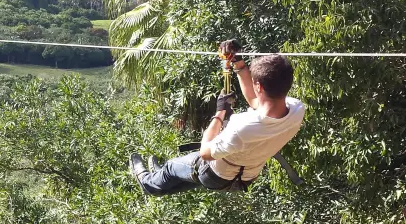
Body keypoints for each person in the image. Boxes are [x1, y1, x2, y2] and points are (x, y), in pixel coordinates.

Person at [130, 40, 306, 196]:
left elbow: (205, 153)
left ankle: (148, 184)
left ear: (259, 86)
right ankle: (161, 180)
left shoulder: (243, 126)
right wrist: (239, 64)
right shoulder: (297, 109)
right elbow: (255, 101)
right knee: (178, 172)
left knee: (171, 167)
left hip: (215, 174)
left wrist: (220, 113)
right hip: (246, 178)